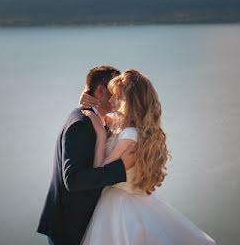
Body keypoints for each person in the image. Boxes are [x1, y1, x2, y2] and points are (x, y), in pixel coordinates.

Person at [78, 69, 215, 245]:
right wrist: (85, 96)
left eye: (117, 98)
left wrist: (100, 135)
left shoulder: (128, 134)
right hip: (136, 200)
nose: (111, 101)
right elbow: (102, 116)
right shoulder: (132, 128)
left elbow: (100, 172)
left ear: (129, 103)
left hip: (119, 207)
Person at [37, 66, 137, 245]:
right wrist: (121, 168)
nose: (118, 98)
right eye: (114, 92)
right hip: (69, 227)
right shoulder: (81, 124)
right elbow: (73, 179)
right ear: (100, 91)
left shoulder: (98, 120)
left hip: (83, 222)